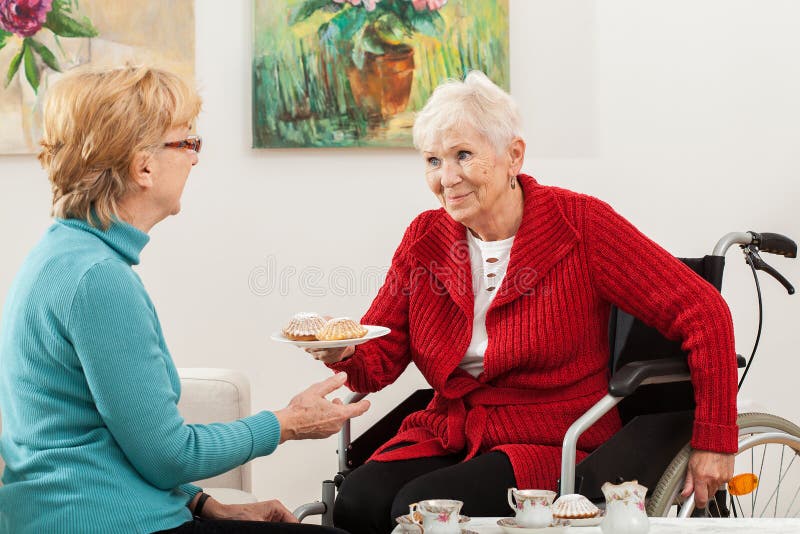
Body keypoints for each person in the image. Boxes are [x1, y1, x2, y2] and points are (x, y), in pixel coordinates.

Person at [306, 71, 737, 533]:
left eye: (463, 155)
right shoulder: (425, 239)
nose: (446, 178)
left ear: (514, 155)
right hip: (453, 429)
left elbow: (704, 311)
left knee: (420, 509)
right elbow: (382, 352)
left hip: (554, 439)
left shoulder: (580, 225)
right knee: (358, 503)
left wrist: (715, 439)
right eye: (433, 160)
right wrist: (348, 350)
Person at [0, 65, 369, 534]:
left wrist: (201, 503)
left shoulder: (64, 255)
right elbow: (169, 455)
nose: (195, 159)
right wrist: (288, 422)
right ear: (143, 167)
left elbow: (107, 438)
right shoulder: (98, 279)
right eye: (186, 143)